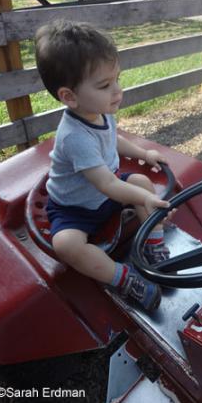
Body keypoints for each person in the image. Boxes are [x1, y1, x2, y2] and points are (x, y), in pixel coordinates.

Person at [35, 19, 171, 311]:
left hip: (108, 189)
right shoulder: (74, 137)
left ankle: (154, 245)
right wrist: (147, 199)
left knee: (141, 183)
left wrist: (143, 154)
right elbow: (107, 185)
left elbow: (114, 140)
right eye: (105, 85)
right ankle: (123, 278)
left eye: (117, 79)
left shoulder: (100, 111)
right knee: (67, 245)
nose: (117, 91)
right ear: (69, 96)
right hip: (76, 206)